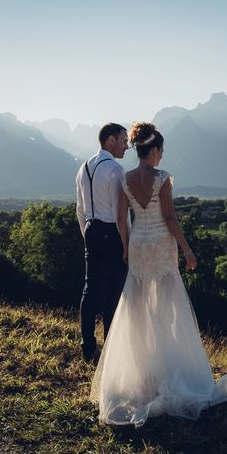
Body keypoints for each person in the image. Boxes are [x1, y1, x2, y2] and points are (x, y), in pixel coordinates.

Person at [90, 122, 227, 427]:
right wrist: (187, 250)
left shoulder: (126, 179)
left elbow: (121, 217)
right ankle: (167, 370)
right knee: (169, 308)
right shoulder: (162, 179)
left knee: (138, 307)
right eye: (161, 151)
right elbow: (170, 217)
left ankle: (144, 372)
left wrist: (125, 246)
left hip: (138, 245)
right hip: (161, 244)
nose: (161, 156)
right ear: (154, 149)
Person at [76, 123, 129, 362]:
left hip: (91, 229)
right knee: (112, 293)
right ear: (110, 140)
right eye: (123, 140)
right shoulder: (115, 170)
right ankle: (109, 352)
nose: (126, 145)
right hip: (111, 232)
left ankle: (88, 347)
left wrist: (86, 233)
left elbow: (80, 208)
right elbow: (121, 214)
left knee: (90, 289)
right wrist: (127, 243)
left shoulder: (83, 168)